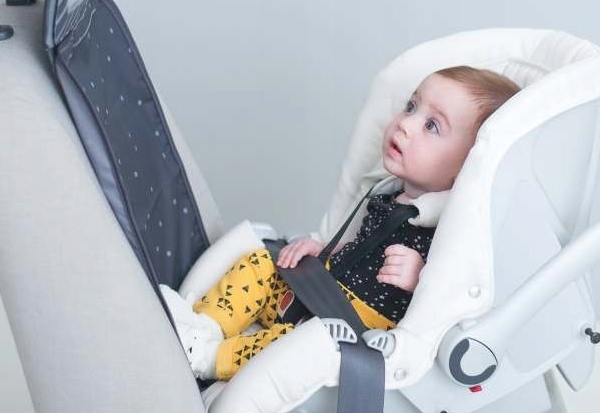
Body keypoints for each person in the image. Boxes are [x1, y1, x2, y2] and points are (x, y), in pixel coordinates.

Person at [160, 66, 520, 380]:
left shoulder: (451, 230)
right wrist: (325, 250)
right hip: (321, 291)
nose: (405, 123)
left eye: (431, 125)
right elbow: (362, 245)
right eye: (411, 106)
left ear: (465, 168)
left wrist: (420, 277)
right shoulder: (386, 193)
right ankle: (203, 327)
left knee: (292, 343)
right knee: (259, 265)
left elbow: (455, 297)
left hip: (348, 329)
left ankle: (209, 359)